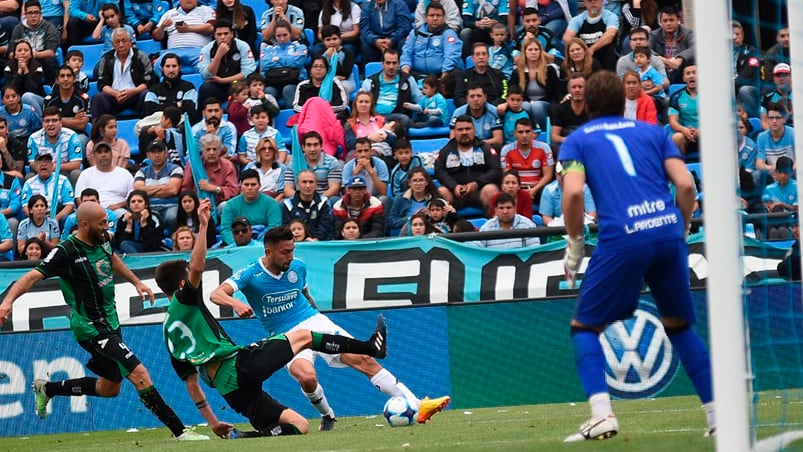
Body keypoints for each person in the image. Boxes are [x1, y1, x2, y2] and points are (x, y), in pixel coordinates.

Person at [559, 70, 714, 441]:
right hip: (666, 231)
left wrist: (576, 245)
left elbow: (575, 194)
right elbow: (686, 184)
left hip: (623, 237)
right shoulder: (653, 133)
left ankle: (601, 415)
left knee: (584, 327)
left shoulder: (577, 142)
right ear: (624, 101)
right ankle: (718, 415)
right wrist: (684, 225)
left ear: (588, 105)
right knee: (678, 325)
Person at [159, 217, 388, 438]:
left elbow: (192, 384)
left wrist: (213, 422)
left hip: (230, 391)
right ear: (182, 284)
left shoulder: (168, 330)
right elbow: (198, 267)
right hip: (236, 366)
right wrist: (204, 224)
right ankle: (369, 347)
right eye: (188, 275)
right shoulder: (185, 300)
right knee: (304, 336)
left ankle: (245, 436)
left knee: (300, 426)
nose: (192, 277)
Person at [0, 202, 210, 441]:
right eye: (101, 223)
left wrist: (135, 281)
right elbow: (31, 276)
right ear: (84, 224)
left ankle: (47, 388)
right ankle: (180, 432)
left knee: (110, 388)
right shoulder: (66, 251)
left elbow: (112, 259)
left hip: (110, 322)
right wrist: (7, 303)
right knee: (140, 374)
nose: (106, 227)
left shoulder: (103, 239)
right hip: (90, 327)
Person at [210, 225, 449, 431]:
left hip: (313, 322)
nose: (290, 256)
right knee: (307, 377)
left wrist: (320, 318)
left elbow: (304, 293)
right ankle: (327, 414)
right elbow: (216, 294)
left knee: (364, 360)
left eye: (292, 250)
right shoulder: (251, 273)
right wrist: (235, 303)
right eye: (285, 252)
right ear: (268, 252)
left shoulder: (298, 267)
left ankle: (418, 405)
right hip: (286, 336)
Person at [435, 115, 501, 213]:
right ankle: (447, 226)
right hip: (455, 193)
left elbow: (495, 169)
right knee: (441, 192)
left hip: (479, 190)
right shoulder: (445, 151)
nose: (464, 132)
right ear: (455, 132)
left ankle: (493, 226)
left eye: (468, 129)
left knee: (491, 190)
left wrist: (477, 184)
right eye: (460, 130)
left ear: (474, 130)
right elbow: (439, 171)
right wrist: (454, 186)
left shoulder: (485, 148)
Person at [92, 28, 154, 118]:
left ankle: (146, 128)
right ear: (113, 44)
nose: (121, 45)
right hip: (114, 95)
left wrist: (133, 91)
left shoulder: (141, 57)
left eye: (124, 41)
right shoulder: (106, 58)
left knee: (147, 95)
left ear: (130, 42)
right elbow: (102, 83)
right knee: (97, 98)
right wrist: (115, 93)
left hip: (135, 94)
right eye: (117, 42)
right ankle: (97, 131)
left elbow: (149, 81)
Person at [197, 18, 257, 106]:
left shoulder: (242, 46)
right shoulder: (206, 49)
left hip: (238, 84)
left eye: (226, 34)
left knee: (249, 85)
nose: (222, 37)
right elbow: (206, 76)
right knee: (205, 88)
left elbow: (248, 72)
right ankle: (201, 117)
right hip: (218, 86)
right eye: (219, 34)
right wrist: (218, 55)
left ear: (232, 34)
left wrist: (223, 80)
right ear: (215, 35)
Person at [510, 37, 564, 132]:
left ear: (540, 52)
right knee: (525, 105)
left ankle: (544, 132)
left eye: (536, 49)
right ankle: (526, 131)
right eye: (530, 50)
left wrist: (561, 100)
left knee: (537, 106)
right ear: (525, 52)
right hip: (526, 102)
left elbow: (557, 91)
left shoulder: (550, 70)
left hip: (546, 103)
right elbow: (512, 91)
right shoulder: (517, 72)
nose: (533, 52)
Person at [400, 1, 463, 82]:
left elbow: (451, 56)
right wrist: (406, 74)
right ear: (426, 17)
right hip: (417, 75)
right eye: (432, 15)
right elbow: (406, 53)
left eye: (438, 15)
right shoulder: (415, 33)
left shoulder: (448, 33)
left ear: (444, 18)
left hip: (440, 75)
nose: (435, 18)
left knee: (455, 74)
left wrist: (443, 78)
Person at [360, 48, 422, 130]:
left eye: (394, 63)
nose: (391, 67)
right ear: (382, 63)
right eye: (388, 63)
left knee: (404, 120)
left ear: (399, 64)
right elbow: (360, 104)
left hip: (397, 118)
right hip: (375, 117)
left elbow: (421, 102)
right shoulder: (370, 82)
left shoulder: (408, 80)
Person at [220, 169, 283, 246]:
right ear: (240, 186)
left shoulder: (272, 204)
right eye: (246, 185)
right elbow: (226, 229)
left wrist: (259, 245)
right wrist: (235, 244)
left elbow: (275, 228)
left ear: (259, 186)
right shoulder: (230, 205)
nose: (249, 188)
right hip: (237, 246)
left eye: (253, 184)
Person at [74, 141, 134, 218]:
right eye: (99, 152)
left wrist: (117, 206)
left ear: (112, 154)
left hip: (118, 211)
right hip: (91, 212)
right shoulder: (86, 174)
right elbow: (79, 198)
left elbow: (132, 197)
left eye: (106, 152)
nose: (103, 155)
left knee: (126, 217)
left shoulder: (125, 174)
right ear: (94, 156)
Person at [133, 140, 184, 231]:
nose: (157, 155)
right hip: (149, 208)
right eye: (153, 152)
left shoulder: (176, 169)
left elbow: (173, 190)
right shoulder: (141, 172)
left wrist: (147, 191)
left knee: (173, 217)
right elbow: (139, 192)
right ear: (148, 155)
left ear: (165, 154)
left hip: (170, 207)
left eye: (159, 152)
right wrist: (163, 187)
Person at [499, 118, 554, 202]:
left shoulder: (544, 148)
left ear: (532, 133)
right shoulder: (506, 150)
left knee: (550, 192)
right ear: (514, 134)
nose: (524, 135)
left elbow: (548, 175)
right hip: (516, 189)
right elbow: (508, 177)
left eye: (527, 131)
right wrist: (521, 191)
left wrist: (534, 190)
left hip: (538, 189)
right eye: (520, 132)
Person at [151, 0, 215, 71]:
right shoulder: (169, 13)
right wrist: (162, 26)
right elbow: (156, 37)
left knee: (206, 68)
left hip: (199, 50)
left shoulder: (206, 10)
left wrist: (188, 29)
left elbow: (211, 28)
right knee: (158, 65)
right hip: (173, 51)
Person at [181, 133, 239, 208]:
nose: (211, 153)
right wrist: (196, 201)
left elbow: (234, 191)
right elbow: (185, 189)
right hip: (197, 205)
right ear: (202, 150)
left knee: (225, 206)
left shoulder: (227, 165)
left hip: (219, 205)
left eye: (214, 149)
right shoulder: (193, 165)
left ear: (219, 151)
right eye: (208, 149)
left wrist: (214, 188)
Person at [259, 20, 308, 108]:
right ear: (275, 36)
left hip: (294, 81)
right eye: (279, 36)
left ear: (290, 33)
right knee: (269, 91)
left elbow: (298, 62)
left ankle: (293, 119)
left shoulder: (300, 47)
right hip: (273, 81)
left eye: (285, 35)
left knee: (288, 90)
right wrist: (289, 61)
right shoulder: (268, 49)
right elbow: (265, 64)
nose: (282, 39)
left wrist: (278, 59)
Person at [11, 0, 59, 86]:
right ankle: (12, 93)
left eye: (36, 12)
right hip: (21, 60)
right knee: (10, 63)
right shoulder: (18, 28)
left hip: (41, 59)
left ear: (41, 14)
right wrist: (21, 57)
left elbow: (51, 52)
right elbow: (11, 53)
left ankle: (54, 89)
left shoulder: (49, 27)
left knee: (49, 61)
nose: (33, 16)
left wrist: (31, 55)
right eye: (30, 13)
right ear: (25, 15)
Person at [282, 131, 343, 200]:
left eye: (315, 145)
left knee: (334, 200)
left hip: (324, 200)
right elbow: (287, 190)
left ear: (321, 146)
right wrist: (303, 200)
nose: (312, 149)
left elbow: (334, 188)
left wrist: (316, 200)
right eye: (309, 145)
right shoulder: (294, 163)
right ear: (303, 147)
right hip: (300, 200)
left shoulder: (332, 162)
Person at [562, 0, 619, 71]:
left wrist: (591, 50)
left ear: (602, 1)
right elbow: (566, 38)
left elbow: (610, 35)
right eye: (589, 0)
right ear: (585, 3)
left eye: (596, 0)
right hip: (585, 58)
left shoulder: (610, 16)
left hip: (606, 56)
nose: (593, 2)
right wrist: (581, 50)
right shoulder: (577, 20)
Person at [43, 65, 91, 147]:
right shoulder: (49, 100)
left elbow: (82, 125)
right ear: (57, 80)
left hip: (77, 135)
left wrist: (57, 120)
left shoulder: (83, 99)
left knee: (80, 140)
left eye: (69, 76)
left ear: (74, 79)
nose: (65, 79)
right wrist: (73, 119)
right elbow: (47, 123)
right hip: (55, 135)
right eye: (62, 76)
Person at [280, 169, 335, 241]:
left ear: (316, 184)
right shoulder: (287, 204)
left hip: (319, 243)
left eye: (311, 182)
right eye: (304, 182)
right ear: (297, 184)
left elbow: (326, 226)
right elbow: (286, 227)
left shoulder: (324, 202)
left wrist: (315, 239)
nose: (308, 186)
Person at [21, 152, 74, 223]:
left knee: (67, 219)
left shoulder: (63, 180)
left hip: (58, 214)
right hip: (37, 217)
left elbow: (69, 205)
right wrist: (40, 221)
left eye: (47, 161)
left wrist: (56, 219)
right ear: (35, 166)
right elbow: (26, 208)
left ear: (52, 165)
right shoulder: (29, 183)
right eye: (40, 161)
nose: (43, 164)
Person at [475, 192, 539, 249]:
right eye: (501, 208)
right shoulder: (487, 227)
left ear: (515, 209)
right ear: (496, 210)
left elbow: (534, 250)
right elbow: (476, 248)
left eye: (508, 208)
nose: (505, 212)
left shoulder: (527, 225)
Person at [449, 83, 503, 150]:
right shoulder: (458, 113)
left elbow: (498, 140)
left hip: (487, 148)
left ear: (485, 98)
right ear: (467, 99)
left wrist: (478, 144)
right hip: (465, 147)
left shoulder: (494, 112)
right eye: (472, 96)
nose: (476, 99)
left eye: (479, 96)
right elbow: (453, 139)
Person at [649, 5, 695, 84]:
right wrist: (661, 59)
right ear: (661, 23)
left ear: (679, 20)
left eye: (671, 20)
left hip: (683, 71)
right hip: (661, 72)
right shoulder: (654, 35)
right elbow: (646, 50)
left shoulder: (688, 33)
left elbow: (694, 48)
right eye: (665, 21)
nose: (668, 23)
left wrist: (680, 58)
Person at [454, 42, 508, 108]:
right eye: (478, 54)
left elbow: (505, 94)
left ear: (488, 57)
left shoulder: (499, 74)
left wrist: (491, 107)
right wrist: (471, 106)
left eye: (484, 54)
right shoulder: (464, 76)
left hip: (494, 109)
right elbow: (458, 97)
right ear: (472, 58)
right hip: (470, 110)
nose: (481, 57)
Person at [388, 166, 437, 232]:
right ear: (409, 183)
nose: (418, 183)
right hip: (407, 234)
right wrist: (412, 218)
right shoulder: (400, 198)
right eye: (414, 181)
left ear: (427, 182)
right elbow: (391, 222)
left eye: (421, 180)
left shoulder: (435, 198)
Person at [550, 73, 589, 151]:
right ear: (569, 90)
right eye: (574, 87)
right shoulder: (560, 109)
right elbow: (554, 136)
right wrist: (568, 140)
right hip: (567, 144)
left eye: (580, 87)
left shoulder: (594, 108)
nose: (577, 90)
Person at [667, 64, 699, 155]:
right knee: (677, 137)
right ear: (684, 78)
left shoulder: (710, 95)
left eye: (694, 73)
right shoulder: (676, 96)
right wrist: (684, 130)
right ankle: (681, 167)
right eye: (688, 73)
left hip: (706, 133)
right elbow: (673, 121)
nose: (691, 76)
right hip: (685, 134)